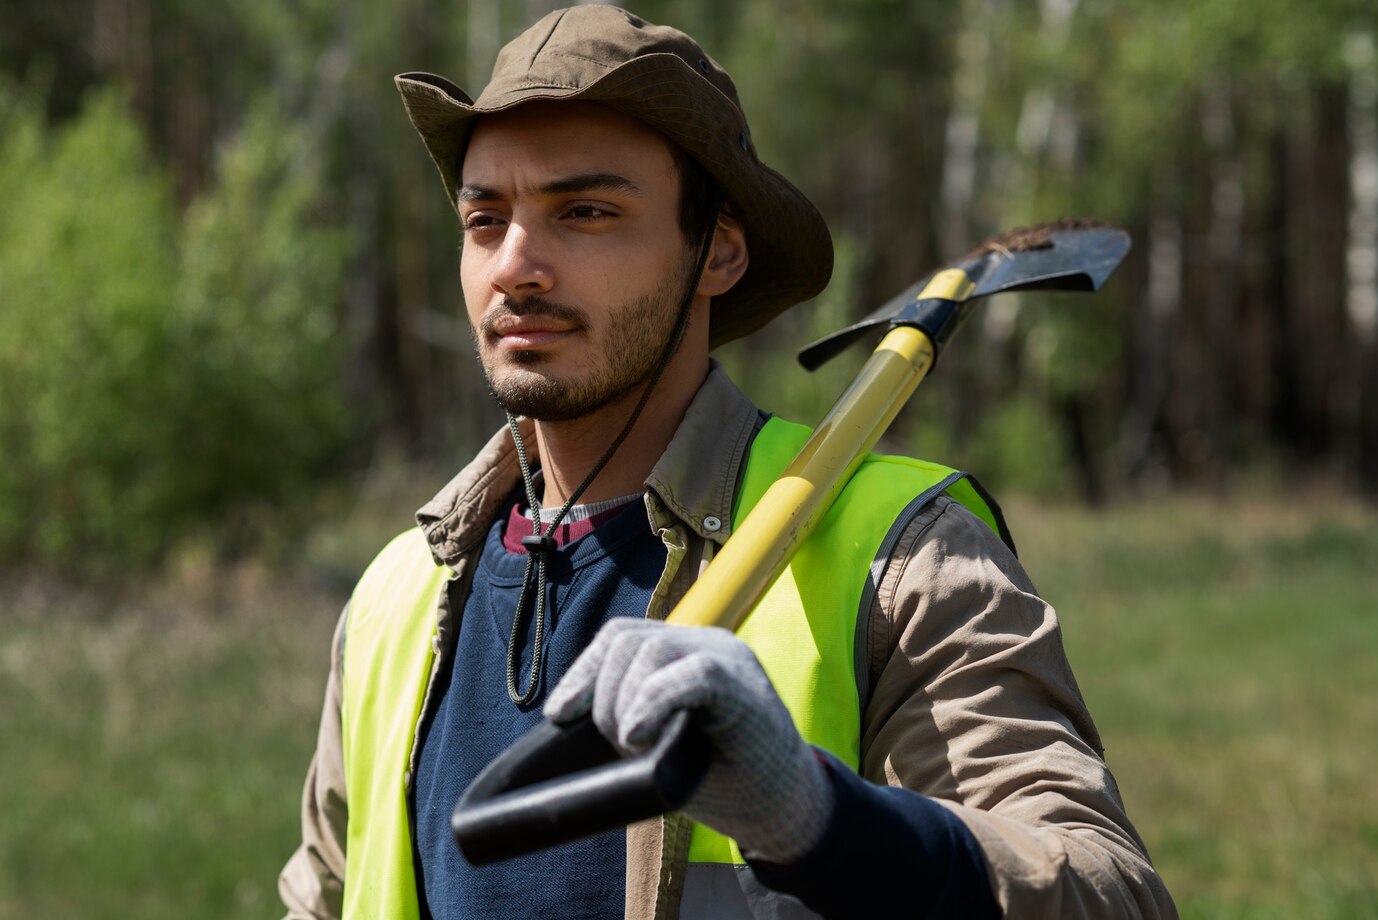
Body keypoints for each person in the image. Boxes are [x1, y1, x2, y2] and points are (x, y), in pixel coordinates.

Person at [280, 6, 1177, 919]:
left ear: (719, 251)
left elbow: (1109, 892)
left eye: (584, 211)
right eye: (484, 218)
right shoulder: (399, 598)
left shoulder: (897, 556)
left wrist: (817, 816)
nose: (516, 265)